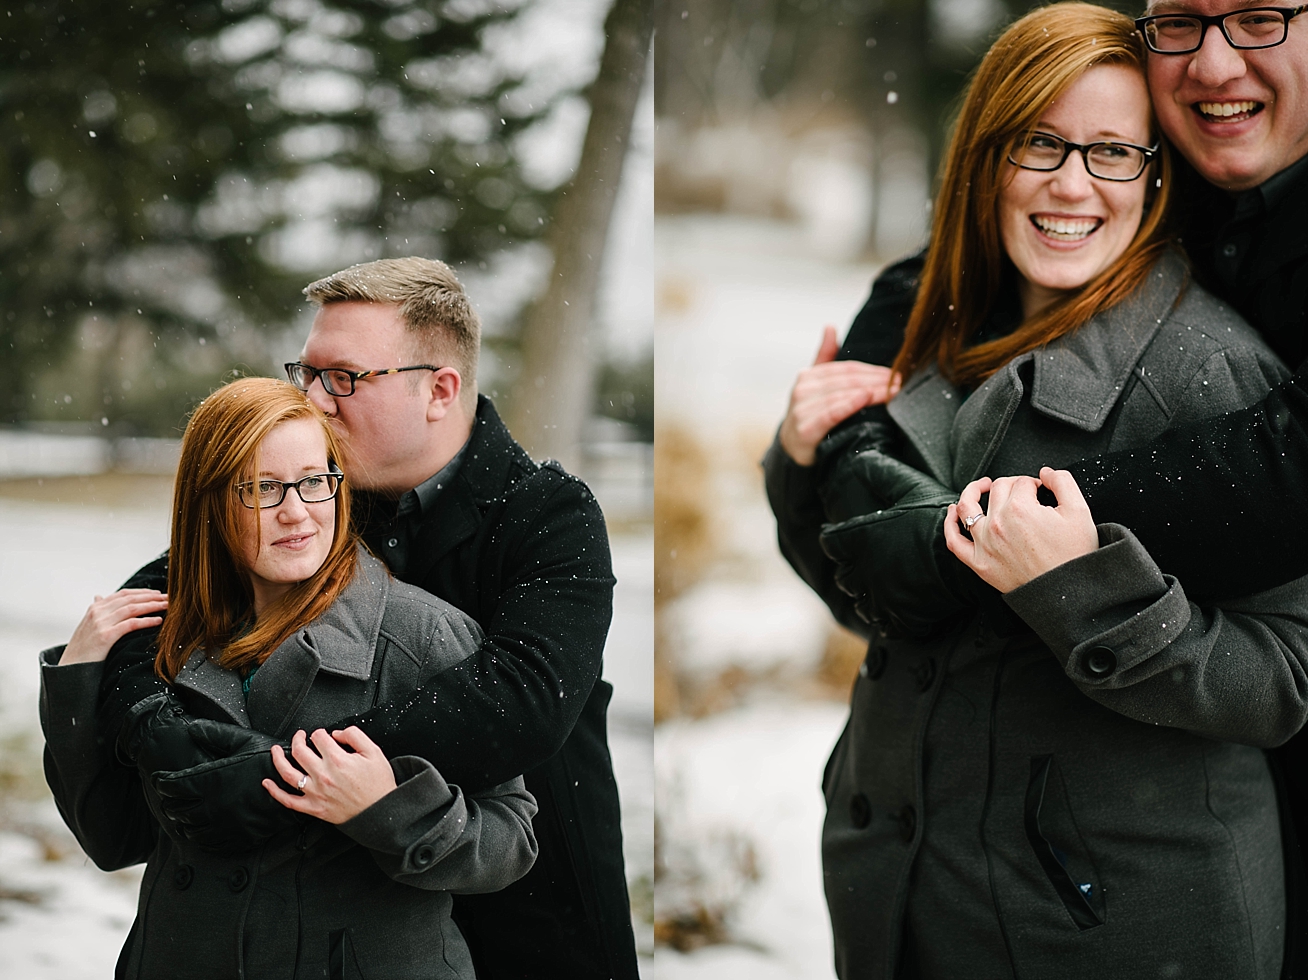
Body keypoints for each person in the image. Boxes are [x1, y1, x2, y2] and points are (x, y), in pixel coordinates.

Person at [768, 5, 1308, 977]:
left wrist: (1084, 592)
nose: (1070, 182)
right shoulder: (930, 334)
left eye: (1111, 152)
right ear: (986, 155)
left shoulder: (1213, 371)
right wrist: (800, 461)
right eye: (1040, 142)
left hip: (1111, 924)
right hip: (902, 888)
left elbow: (1287, 678)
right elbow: (885, 607)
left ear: (1155, 174)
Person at [87, 258, 637, 978]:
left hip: (531, 906)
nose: (312, 400)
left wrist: (273, 783)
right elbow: (165, 599)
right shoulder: (318, 495)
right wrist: (151, 728)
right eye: (306, 373)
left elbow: (523, 702)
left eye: (343, 377)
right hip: (357, 919)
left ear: (439, 389)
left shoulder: (549, 515)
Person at [41, 377, 538, 979]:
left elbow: (511, 845)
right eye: (264, 488)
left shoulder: (422, 636)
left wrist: (385, 808)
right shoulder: (166, 637)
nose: (297, 512)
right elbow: (113, 840)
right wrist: (78, 678)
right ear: (210, 502)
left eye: (314, 481)